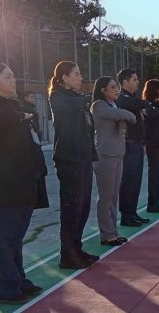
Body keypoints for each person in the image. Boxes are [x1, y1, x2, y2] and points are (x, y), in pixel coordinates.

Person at [0, 62, 48, 305]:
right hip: (1, 184)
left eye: (13, 76)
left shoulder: (11, 106)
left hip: (22, 181)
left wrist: (24, 116)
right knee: (3, 238)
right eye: (7, 77)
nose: (13, 80)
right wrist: (22, 116)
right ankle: (5, 289)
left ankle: (17, 280)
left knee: (15, 237)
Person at [48, 61, 99, 269]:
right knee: (71, 208)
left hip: (84, 157)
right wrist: (88, 98)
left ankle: (77, 248)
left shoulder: (77, 99)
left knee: (83, 206)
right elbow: (68, 105)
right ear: (64, 77)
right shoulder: (58, 97)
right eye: (76, 74)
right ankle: (67, 254)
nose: (80, 77)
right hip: (69, 159)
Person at [90, 77, 136, 247]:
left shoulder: (113, 105)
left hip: (117, 153)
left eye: (117, 86)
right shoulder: (99, 105)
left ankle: (113, 231)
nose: (117, 89)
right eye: (113, 87)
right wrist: (129, 115)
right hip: (105, 155)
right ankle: (106, 233)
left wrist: (126, 116)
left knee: (114, 195)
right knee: (106, 196)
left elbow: (121, 116)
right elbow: (122, 115)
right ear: (103, 90)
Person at [115, 69, 152, 226]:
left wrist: (143, 143)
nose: (137, 82)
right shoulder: (122, 98)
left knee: (136, 181)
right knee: (128, 180)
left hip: (137, 144)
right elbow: (139, 104)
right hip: (129, 145)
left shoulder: (131, 98)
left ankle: (132, 212)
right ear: (125, 82)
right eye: (134, 79)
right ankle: (126, 215)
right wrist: (147, 103)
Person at [142, 79, 159, 213]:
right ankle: (152, 203)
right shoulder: (149, 105)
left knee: (157, 173)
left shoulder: (158, 105)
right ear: (155, 90)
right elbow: (150, 115)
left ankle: (155, 201)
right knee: (154, 173)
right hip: (153, 143)